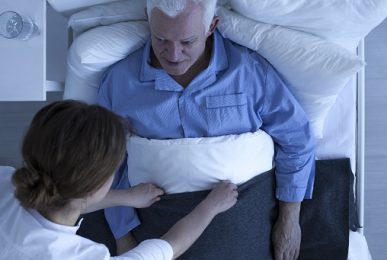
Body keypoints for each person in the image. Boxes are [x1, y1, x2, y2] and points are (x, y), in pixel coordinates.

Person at [97, 0, 316, 259]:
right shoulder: (121, 83)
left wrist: (290, 220)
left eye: (187, 42)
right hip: (158, 225)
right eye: (161, 40)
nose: (173, 55)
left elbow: (297, 140)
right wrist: (123, 237)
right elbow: (106, 166)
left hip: (246, 215)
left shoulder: (249, 72)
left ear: (212, 26)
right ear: (149, 21)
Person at [0, 100, 238, 259]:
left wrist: (127, 197)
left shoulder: (6, 180)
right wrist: (212, 205)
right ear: (95, 186)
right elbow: (165, 249)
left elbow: (67, 196)